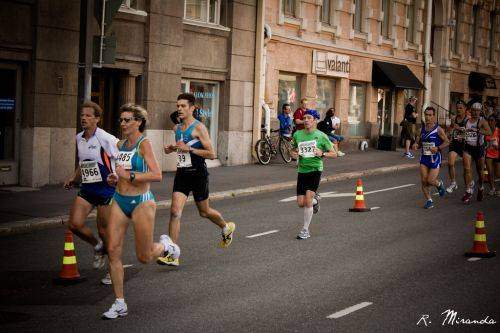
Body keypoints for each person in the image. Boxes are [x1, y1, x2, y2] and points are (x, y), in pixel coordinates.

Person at [102, 104, 170, 319]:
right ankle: (120, 302)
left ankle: (165, 246)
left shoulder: (144, 144)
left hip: (141, 201)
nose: (123, 123)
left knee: (144, 256)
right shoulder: (121, 145)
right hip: (119, 200)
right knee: (112, 249)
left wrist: (129, 176)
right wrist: (116, 178)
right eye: (121, 120)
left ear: (138, 122)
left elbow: (157, 174)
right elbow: (121, 173)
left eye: (127, 120)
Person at [158, 93, 235, 267]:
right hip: (182, 174)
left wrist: (189, 150)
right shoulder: (176, 129)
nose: (179, 109)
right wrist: (171, 149)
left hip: (198, 174)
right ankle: (172, 253)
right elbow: (182, 148)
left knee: (204, 212)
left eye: (183, 106)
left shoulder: (199, 128)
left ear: (192, 108)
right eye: (178, 106)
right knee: (175, 212)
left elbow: (212, 154)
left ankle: (226, 227)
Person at [64, 101, 119, 284]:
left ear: (97, 118)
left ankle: (113, 271)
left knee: (104, 230)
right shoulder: (79, 138)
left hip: (106, 190)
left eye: (88, 115)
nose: (84, 118)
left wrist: (117, 176)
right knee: (74, 224)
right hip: (87, 188)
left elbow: (122, 158)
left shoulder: (106, 138)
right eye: (82, 115)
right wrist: (73, 177)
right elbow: (83, 162)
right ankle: (97, 246)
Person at [291, 109, 336, 239]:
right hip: (302, 170)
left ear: (315, 120)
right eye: (304, 118)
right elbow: (293, 150)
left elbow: (334, 153)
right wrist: (293, 154)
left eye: (309, 118)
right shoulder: (298, 134)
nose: (305, 120)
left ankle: (305, 230)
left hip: (315, 170)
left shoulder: (321, 136)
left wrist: (322, 153)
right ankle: (316, 200)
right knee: (301, 203)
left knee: (308, 200)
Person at [412, 106, 449, 209]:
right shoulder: (421, 129)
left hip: (435, 158)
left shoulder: (438, 129)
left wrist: (438, 148)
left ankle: (439, 184)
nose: (428, 117)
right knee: (424, 181)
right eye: (426, 115)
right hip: (424, 158)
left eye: (430, 115)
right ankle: (429, 200)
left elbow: (447, 141)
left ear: (434, 116)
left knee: (430, 180)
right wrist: (415, 144)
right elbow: (417, 141)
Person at [461, 102, 492, 204]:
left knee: (480, 172)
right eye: (473, 110)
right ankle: (469, 191)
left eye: (477, 110)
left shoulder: (482, 121)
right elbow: (464, 132)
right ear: (471, 110)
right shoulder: (466, 120)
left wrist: (480, 131)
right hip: (468, 147)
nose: (475, 112)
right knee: (466, 169)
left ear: (480, 111)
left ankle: (481, 187)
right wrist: (461, 135)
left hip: (479, 148)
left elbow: (489, 132)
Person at [446, 99, 468, 193]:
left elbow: (471, 132)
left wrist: (460, 129)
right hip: (455, 144)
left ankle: (468, 187)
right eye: (457, 108)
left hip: (465, 145)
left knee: (466, 168)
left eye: (460, 108)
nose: (458, 110)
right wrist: (450, 133)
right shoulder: (454, 118)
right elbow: (451, 129)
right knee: (450, 163)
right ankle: (453, 183)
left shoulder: (468, 120)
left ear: (465, 109)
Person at [484, 115, 499, 196]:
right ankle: (492, 189)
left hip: (497, 154)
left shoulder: (498, 131)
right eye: (489, 120)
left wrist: (498, 147)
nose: (490, 122)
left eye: (492, 120)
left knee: (498, 173)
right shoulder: (486, 131)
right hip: (488, 153)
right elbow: (483, 142)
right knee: (490, 172)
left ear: (495, 121)